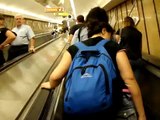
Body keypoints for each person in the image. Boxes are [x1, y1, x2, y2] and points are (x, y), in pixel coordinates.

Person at [41, 7, 146, 120]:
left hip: (76, 112)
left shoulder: (73, 49)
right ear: (104, 30)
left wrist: (51, 84)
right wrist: (142, 115)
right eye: (110, 33)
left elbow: (55, 76)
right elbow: (130, 79)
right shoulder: (114, 47)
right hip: (108, 111)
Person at [119, 16, 143, 81]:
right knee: (136, 82)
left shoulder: (124, 31)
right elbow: (140, 47)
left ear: (125, 23)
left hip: (128, 60)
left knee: (128, 82)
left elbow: (121, 45)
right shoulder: (139, 33)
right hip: (138, 60)